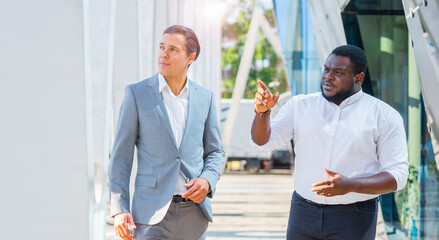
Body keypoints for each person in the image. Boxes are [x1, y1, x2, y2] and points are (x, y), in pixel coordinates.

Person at [251, 45, 409, 240]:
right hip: (302, 212)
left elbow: (398, 176)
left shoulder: (384, 116)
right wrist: (262, 113)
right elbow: (263, 142)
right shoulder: (300, 105)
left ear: (358, 78)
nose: (328, 77)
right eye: (326, 69)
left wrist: (351, 185)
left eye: (338, 72)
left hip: (354, 217)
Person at [109, 25, 224, 240]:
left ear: (191, 57)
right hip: (151, 215)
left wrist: (207, 180)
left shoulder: (205, 98)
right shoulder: (136, 94)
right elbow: (121, 157)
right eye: (162, 47)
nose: (164, 54)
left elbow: (216, 151)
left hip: (194, 215)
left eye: (173, 49)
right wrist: (119, 208)